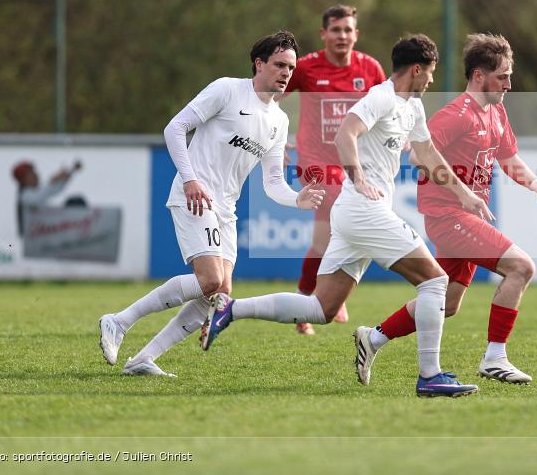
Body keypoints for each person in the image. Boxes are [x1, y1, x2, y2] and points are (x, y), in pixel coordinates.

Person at [199, 34, 489, 397]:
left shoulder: (411, 106)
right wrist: (358, 176)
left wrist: (465, 195)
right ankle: (429, 376)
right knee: (435, 282)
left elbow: (428, 152)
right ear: (416, 69)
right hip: (363, 209)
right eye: (430, 73)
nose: (432, 81)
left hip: (357, 214)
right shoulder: (381, 97)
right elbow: (345, 134)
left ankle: (233, 310)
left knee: (321, 307)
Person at [98, 31, 324, 377]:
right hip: (196, 197)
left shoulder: (280, 121)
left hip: (226, 210)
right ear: (259, 64)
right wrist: (190, 179)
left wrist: (297, 198)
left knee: (219, 292)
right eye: (279, 65)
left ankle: (143, 358)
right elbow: (175, 129)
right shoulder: (227, 89)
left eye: (291, 68)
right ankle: (119, 321)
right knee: (210, 281)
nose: (285, 73)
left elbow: (273, 182)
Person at [352, 33, 537, 386]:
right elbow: (417, 155)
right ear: (479, 75)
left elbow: (507, 158)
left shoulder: (495, 111)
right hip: (449, 217)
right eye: (503, 76)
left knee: (445, 303)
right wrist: (460, 192)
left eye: (509, 76)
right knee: (521, 267)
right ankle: (495, 357)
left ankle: (372, 338)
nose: (509, 84)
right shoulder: (456, 114)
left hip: (467, 217)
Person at [282, 4, 386, 335]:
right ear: (323, 34)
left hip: (353, 164)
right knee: (347, 225)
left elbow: (389, 109)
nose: (342, 35)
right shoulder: (307, 67)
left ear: (356, 34)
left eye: (348, 30)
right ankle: (332, 297)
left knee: (323, 240)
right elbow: (269, 97)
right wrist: (272, 138)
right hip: (315, 163)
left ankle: (304, 304)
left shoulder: (369, 68)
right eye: (336, 29)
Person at [12, 160, 82, 236]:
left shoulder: (33, 192)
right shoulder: (24, 196)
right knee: (75, 204)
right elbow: (40, 196)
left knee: (74, 202)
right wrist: (53, 180)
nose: (36, 175)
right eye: (31, 174)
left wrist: (70, 172)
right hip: (35, 239)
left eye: (35, 172)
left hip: (45, 232)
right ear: (23, 180)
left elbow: (54, 189)